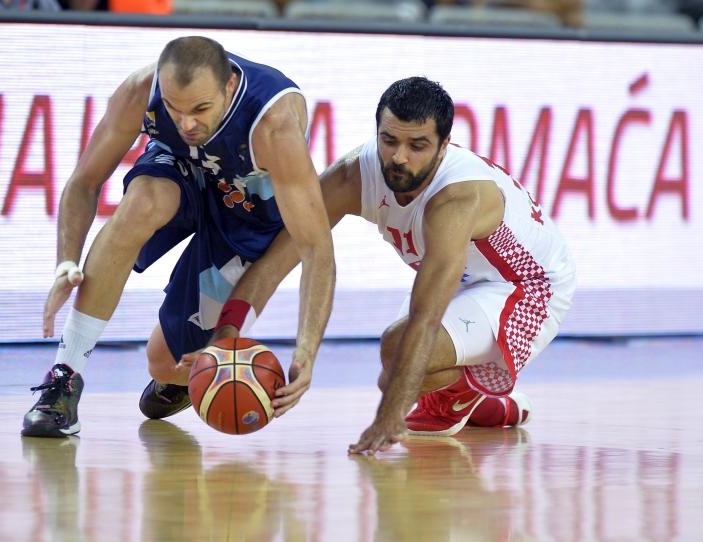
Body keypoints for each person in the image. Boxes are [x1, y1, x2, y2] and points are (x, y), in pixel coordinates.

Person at [212, 76, 575, 454]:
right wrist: (227, 332)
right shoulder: (355, 174)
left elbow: (426, 317)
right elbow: (278, 258)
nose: (399, 157)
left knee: (400, 355)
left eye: (417, 146)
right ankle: (482, 400)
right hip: (466, 278)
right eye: (389, 141)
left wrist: (388, 418)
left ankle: (464, 390)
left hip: (528, 286)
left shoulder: (457, 199)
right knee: (397, 372)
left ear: (443, 145)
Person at [22, 36, 336, 437]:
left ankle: (174, 382)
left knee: (164, 363)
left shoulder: (273, 125)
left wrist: (306, 351)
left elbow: (315, 248)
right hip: (181, 170)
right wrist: (66, 261)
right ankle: (63, 378)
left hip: (248, 210)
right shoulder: (142, 91)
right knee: (142, 203)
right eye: (175, 109)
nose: (186, 123)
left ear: (226, 88)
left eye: (201, 109)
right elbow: (84, 182)